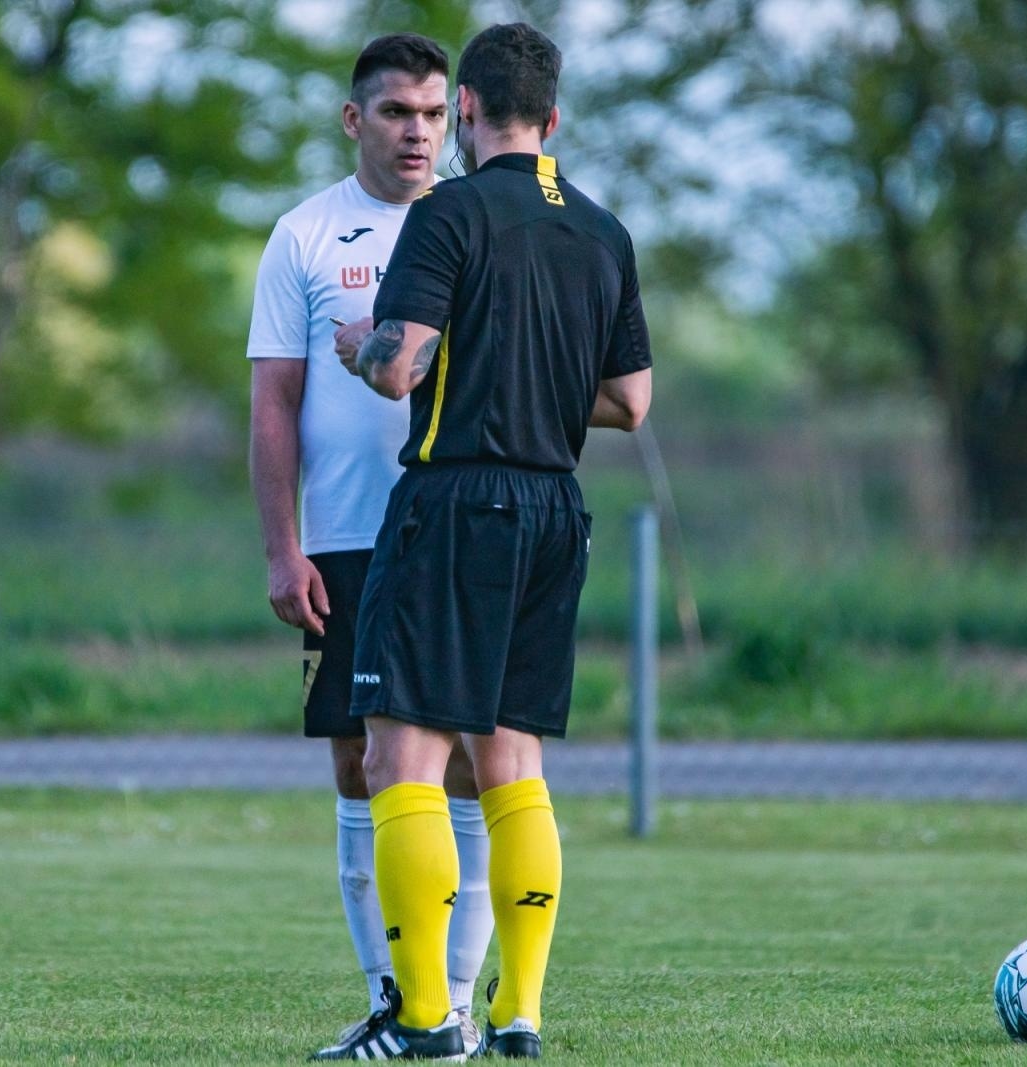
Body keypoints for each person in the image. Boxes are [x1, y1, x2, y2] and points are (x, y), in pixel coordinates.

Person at [318, 22, 653, 1061]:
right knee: (512, 761)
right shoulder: (602, 231)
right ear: (552, 120)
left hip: (458, 502)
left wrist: (358, 346)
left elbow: (399, 367)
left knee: (399, 755)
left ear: (465, 111)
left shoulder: (449, 212)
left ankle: (424, 1019)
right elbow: (631, 402)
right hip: (558, 511)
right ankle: (519, 1013)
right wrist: (539, 388)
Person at [244, 33, 494, 1060]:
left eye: (436, 114)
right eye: (398, 112)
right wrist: (281, 547)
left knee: (473, 765)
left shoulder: (481, 226)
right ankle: (398, 996)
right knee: (359, 764)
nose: (419, 133)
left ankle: (461, 1006)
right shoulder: (305, 236)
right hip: (346, 539)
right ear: (356, 119)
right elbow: (272, 404)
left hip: (463, 529)